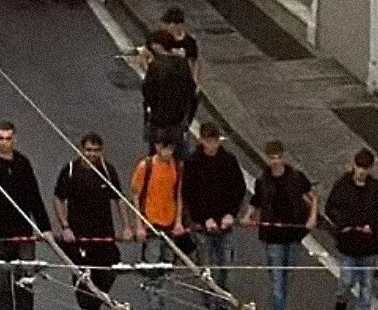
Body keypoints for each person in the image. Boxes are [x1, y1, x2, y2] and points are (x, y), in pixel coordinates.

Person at [0, 122, 49, 310]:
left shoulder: (23, 163)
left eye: (8, 138)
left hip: (23, 234)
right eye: (1, 138)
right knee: (0, 287)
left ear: (15, 139)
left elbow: (34, 197)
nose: (4, 142)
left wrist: (44, 227)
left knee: (25, 283)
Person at [53, 132, 128, 310]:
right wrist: (65, 227)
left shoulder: (107, 171)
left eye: (96, 150)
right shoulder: (70, 170)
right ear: (81, 149)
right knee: (83, 285)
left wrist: (126, 227)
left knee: (108, 274)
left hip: (104, 237)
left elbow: (119, 199)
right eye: (88, 150)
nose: (92, 154)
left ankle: (96, 302)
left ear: (102, 151)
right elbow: (58, 199)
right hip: (79, 239)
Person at [245, 140, 317, 310]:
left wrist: (312, 217)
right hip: (272, 237)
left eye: (278, 157)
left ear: (284, 157)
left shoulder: (297, 178)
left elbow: (313, 196)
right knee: (278, 282)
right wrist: (248, 215)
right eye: (272, 158)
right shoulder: (263, 181)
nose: (276, 161)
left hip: (293, 234)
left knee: (287, 276)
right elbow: (257, 200)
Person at [182, 123, 246, 308]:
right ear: (201, 140)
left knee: (225, 266)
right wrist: (204, 219)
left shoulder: (228, 160)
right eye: (208, 141)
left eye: (215, 141)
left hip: (225, 224)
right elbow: (190, 195)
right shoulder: (193, 163)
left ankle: (223, 301)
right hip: (203, 227)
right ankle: (210, 304)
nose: (212, 145)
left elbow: (238, 189)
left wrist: (231, 214)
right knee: (208, 270)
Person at [326, 148, 378, 310]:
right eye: (359, 167)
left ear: (370, 169)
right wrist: (342, 224)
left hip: (369, 247)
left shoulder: (377, 189)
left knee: (367, 286)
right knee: (346, 280)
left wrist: (373, 227)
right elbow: (330, 208)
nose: (362, 171)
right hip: (348, 245)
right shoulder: (342, 185)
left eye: (365, 168)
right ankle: (341, 301)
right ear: (354, 166)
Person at [130, 134, 188, 310]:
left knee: (165, 269)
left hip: (169, 226)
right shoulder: (145, 167)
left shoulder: (176, 168)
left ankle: (159, 303)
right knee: (153, 271)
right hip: (152, 225)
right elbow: (135, 196)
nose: (168, 152)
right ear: (157, 147)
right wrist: (139, 225)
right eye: (165, 148)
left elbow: (177, 196)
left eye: (171, 149)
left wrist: (178, 222)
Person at [141, 35, 197, 157]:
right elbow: (191, 92)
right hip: (178, 121)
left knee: (156, 157)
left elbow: (147, 91)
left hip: (158, 121)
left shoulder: (155, 65)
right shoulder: (183, 65)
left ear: (159, 46)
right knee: (180, 156)